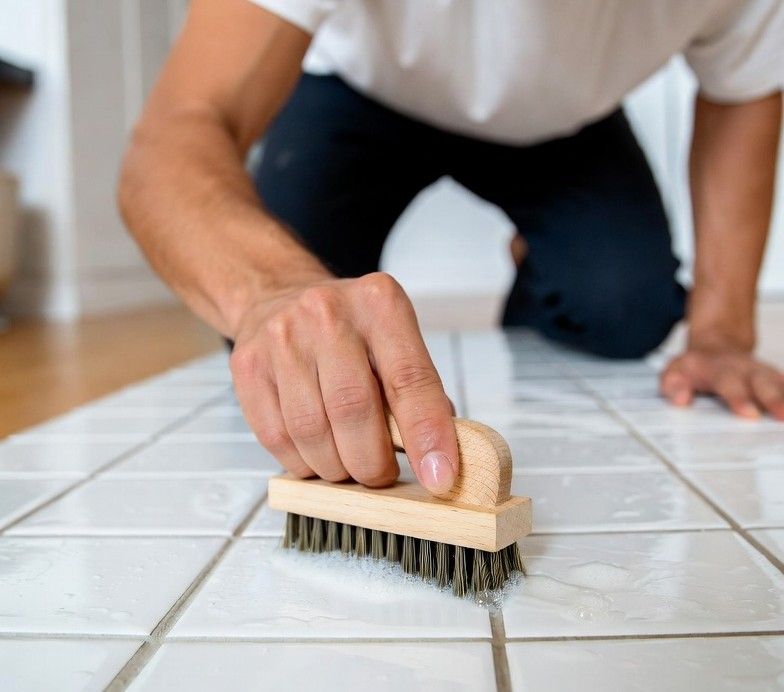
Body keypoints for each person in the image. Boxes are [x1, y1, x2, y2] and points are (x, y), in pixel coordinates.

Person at [118, 0, 784, 495]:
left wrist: (722, 334)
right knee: (288, 350)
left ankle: (534, 259)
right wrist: (270, 289)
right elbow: (175, 133)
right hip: (358, 89)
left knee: (626, 312)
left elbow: (744, 88)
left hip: (561, 121)